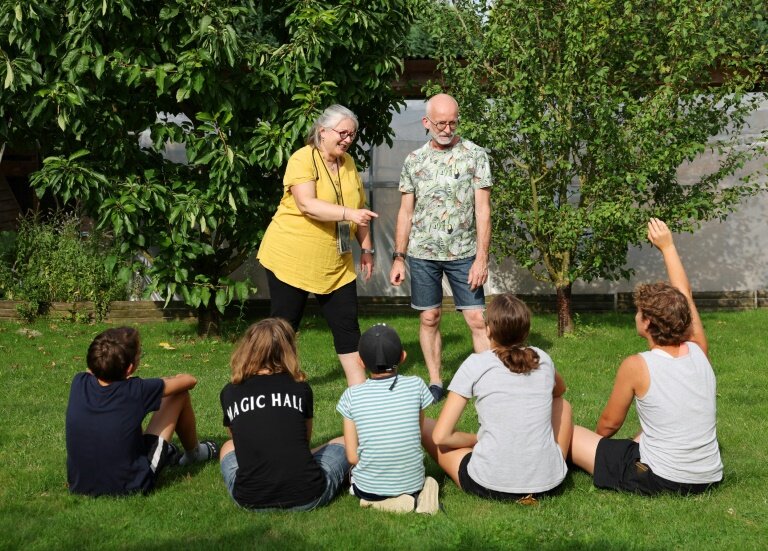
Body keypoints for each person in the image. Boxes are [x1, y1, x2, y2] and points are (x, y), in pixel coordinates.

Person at [569, 219, 723, 495]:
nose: (636, 315)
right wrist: (668, 247)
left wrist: (596, 448)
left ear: (648, 324)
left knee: (570, 433)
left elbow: (609, 424)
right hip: (709, 476)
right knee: (644, 434)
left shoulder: (638, 365)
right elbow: (685, 295)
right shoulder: (699, 350)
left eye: (639, 312)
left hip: (661, 480)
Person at [257, 104, 377, 387]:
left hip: (336, 262)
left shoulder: (348, 164)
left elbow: (360, 209)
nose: (348, 139)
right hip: (291, 257)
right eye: (343, 133)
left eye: (353, 135)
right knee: (284, 326)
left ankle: (360, 392)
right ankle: (271, 387)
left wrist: (368, 249)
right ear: (323, 132)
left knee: (348, 326)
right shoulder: (303, 158)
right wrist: (349, 214)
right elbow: (307, 205)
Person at [389, 93, 492, 403]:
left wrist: (482, 258)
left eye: (452, 122)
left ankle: (488, 383)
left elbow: (483, 210)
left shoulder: (475, 155)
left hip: (464, 254)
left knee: (477, 319)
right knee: (429, 317)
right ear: (427, 122)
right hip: (422, 255)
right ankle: (435, 382)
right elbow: (405, 213)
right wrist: (398, 257)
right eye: (440, 123)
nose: (447, 128)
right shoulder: (414, 161)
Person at [422, 293, 573, 502]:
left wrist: (476, 439)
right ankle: (553, 464)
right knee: (563, 404)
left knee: (425, 426)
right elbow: (560, 392)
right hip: (549, 485)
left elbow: (441, 437)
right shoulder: (542, 358)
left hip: (488, 484)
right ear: (526, 331)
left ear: (489, 329)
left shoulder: (476, 364)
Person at [65, 327, 217, 496]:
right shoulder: (136, 390)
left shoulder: (79, 382)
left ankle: (170, 452)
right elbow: (189, 381)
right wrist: (171, 379)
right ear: (130, 368)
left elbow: (93, 372)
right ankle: (194, 454)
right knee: (178, 394)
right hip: (132, 485)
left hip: (80, 484)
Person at [219, 318, 351, 511]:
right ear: (288, 349)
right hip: (308, 495)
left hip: (250, 500)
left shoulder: (230, 392)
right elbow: (304, 440)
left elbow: (240, 443)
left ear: (246, 349)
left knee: (227, 447)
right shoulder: (300, 388)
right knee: (348, 442)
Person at [336, 324, 439, 514]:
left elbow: (351, 456)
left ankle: (376, 502)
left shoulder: (351, 396)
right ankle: (418, 494)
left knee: (355, 480)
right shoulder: (416, 385)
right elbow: (416, 433)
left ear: (360, 362)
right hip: (412, 482)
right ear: (403, 356)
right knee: (421, 479)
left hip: (369, 489)